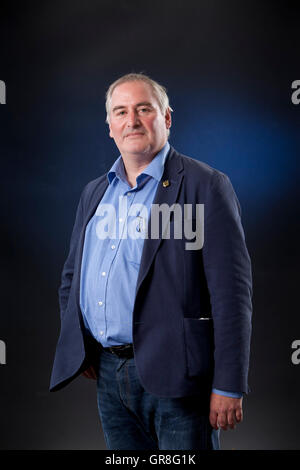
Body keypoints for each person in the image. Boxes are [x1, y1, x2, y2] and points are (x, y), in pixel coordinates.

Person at [49, 73, 252, 450]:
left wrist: (228, 383)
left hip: (179, 375)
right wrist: (83, 346)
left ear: (167, 118)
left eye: (144, 109)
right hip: (110, 375)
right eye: (121, 111)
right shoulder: (95, 192)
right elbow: (72, 277)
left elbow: (231, 295)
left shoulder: (205, 186)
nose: (132, 120)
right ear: (109, 126)